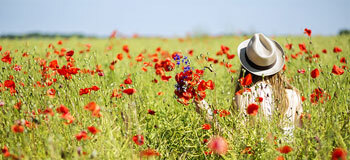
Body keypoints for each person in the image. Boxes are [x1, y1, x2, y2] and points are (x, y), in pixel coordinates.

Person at [195, 33, 303, 136]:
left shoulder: (245, 96)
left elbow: (234, 139)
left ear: (245, 66)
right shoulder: (294, 95)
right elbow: (302, 134)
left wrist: (207, 114)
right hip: (287, 154)